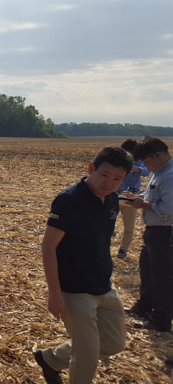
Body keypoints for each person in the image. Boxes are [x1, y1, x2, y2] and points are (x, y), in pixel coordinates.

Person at [34, 147, 131, 384]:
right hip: (74, 290)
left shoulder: (112, 199)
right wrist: (55, 293)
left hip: (104, 286)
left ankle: (50, 360)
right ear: (91, 169)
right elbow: (48, 247)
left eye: (117, 179)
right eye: (104, 175)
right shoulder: (69, 200)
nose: (109, 183)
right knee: (86, 357)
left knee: (114, 343)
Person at [124, 137, 173, 332]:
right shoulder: (159, 172)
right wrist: (139, 197)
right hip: (154, 230)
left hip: (165, 231)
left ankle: (161, 320)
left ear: (157, 155)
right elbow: (155, 195)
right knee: (147, 270)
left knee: (161, 277)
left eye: (146, 161)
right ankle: (144, 307)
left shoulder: (170, 175)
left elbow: (169, 208)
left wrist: (142, 205)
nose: (146, 165)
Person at [115, 138, 150, 258]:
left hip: (131, 197)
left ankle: (123, 250)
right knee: (107, 223)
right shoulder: (119, 161)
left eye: (131, 152)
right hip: (116, 195)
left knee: (129, 227)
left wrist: (135, 168)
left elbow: (146, 172)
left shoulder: (140, 162)